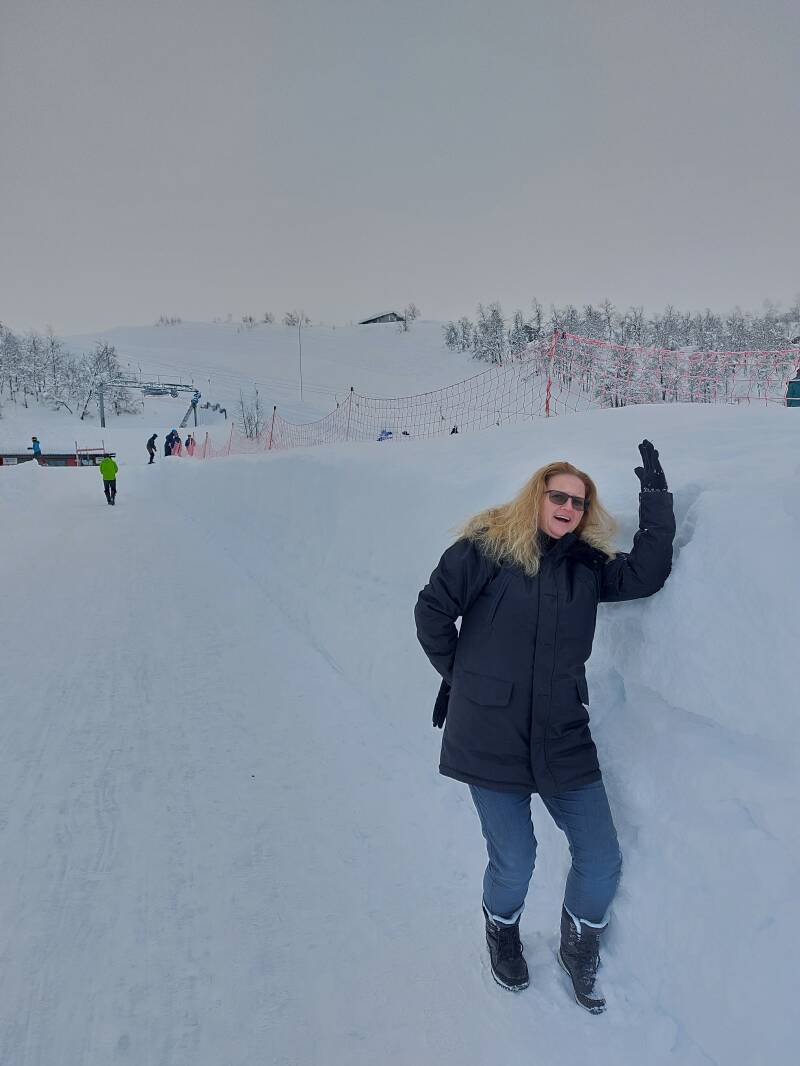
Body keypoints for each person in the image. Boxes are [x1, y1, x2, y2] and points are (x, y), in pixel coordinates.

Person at [414, 440, 675, 1014]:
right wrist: (466, 680)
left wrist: (656, 500)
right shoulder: (485, 549)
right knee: (516, 858)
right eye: (559, 496)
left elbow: (646, 575)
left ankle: (579, 944)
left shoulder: (586, 566)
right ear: (536, 496)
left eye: (579, 502)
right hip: (489, 735)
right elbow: (431, 610)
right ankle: (502, 930)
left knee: (601, 855)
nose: (568, 508)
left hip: (562, 734)